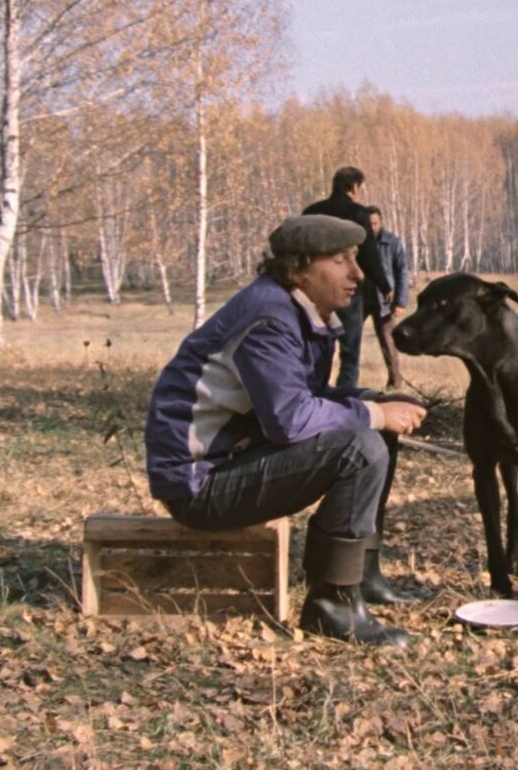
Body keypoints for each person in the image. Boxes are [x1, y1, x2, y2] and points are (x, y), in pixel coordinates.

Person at [144, 214, 427, 646]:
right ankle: (331, 606)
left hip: (232, 461)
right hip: (200, 484)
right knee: (362, 445)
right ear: (299, 269)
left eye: (355, 258)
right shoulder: (270, 319)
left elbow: (303, 396)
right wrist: (370, 414)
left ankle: (360, 576)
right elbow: (290, 419)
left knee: (375, 428)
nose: (358, 273)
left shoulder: (293, 309)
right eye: (340, 260)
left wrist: (375, 401)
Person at [303, 166, 391, 388]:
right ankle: (344, 401)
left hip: (314, 290)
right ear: (353, 187)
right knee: (350, 353)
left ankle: (312, 392)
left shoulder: (311, 212)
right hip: (348, 290)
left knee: (315, 346)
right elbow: (370, 254)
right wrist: (384, 285)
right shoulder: (358, 214)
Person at [364, 206, 409, 390]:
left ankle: (395, 382)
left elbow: (402, 272)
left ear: (381, 222)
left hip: (384, 300)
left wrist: (400, 301)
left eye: (374, 223)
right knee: (347, 339)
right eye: (368, 224)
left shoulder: (392, 242)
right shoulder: (358, 242)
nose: (371, 227)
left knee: (387, 340)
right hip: (360, 298)